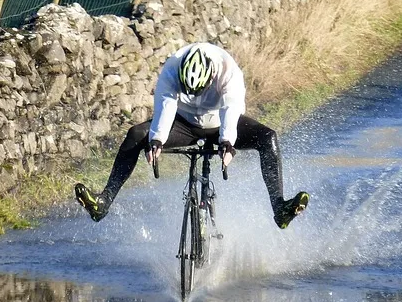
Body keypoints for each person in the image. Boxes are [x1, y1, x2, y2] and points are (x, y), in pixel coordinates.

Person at [75, 42, 309, 229]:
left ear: (211, 77)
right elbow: (165, 107)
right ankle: (103, 202)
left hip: (220, 125)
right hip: (184, 124)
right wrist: (156, 140)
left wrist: (227, 143)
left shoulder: (228, 71)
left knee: (268, 137)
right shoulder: (172, 67)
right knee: (136, 134)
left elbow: (231, 109)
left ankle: (279, 207)